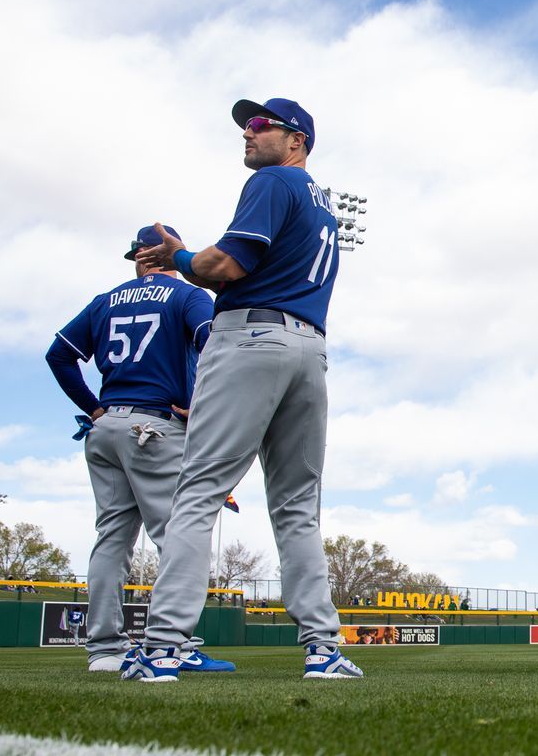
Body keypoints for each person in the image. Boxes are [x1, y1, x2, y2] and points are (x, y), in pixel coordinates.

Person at [129, 96, 362, 682]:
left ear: (297, 141)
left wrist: (176, 255)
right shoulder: (326, 210)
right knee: (298, 509)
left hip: (252, 339)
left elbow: (221, 267)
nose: (249, 134)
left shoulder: (275, 183)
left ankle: (162, 647)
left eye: (262, 125)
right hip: (311, 351)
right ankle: (323, 650)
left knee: (198, 490)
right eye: (246, 126)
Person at [46, 224, 233, 675]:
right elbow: (216, 345)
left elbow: (58, 355)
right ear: (171, 253)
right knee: (177, 535)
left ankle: (105, 651)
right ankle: (171, 644)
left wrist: (93, 409)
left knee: (111, 539)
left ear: (136, 256)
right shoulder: (190, 298)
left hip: (106, 426)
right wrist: (201, 404)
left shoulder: (105, 300)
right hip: (155, 426)